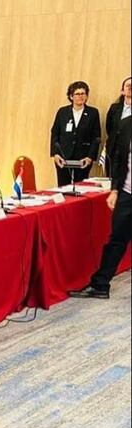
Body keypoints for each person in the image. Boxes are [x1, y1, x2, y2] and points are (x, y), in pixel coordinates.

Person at [69, 116, 131, 299]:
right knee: (117, 240)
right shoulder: (126, 124)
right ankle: (100, 284)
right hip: (127, 193)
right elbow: (119, 159)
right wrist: (115, 190)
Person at [50, 81, 101, 186]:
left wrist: (90, 157)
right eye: (77, 94)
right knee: (63, 187)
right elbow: (55, 133)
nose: (80, 96)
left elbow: (96, 137)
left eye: (83, 94)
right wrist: (55, 154)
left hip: (83, 158)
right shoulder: (62, 112)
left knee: (81, 187)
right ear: (71, 96)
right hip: (63, 157)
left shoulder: (93, 113)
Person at [105, 77, 131, 178]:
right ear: (122, 91)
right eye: (128, 86)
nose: (131, 88)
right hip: (115, 151)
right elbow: (109, 128)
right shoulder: (114, 108)